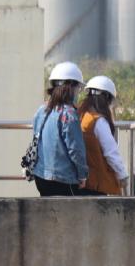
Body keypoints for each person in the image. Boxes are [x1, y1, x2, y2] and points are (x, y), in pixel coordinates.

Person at [28, 62, 88, 197]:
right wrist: (82, 175)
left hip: (41, 175)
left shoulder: (41, 110)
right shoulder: (69, 114)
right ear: (71, 87)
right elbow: (76, 150)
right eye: (78, 87)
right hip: (63, 179)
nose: (78, 92)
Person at [77, 76, 129, 196]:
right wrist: (122, 175)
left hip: (81, 182)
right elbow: (111, 152)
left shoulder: (80, 116)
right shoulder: (99, 121)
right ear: (106, 98)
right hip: (97, 184)